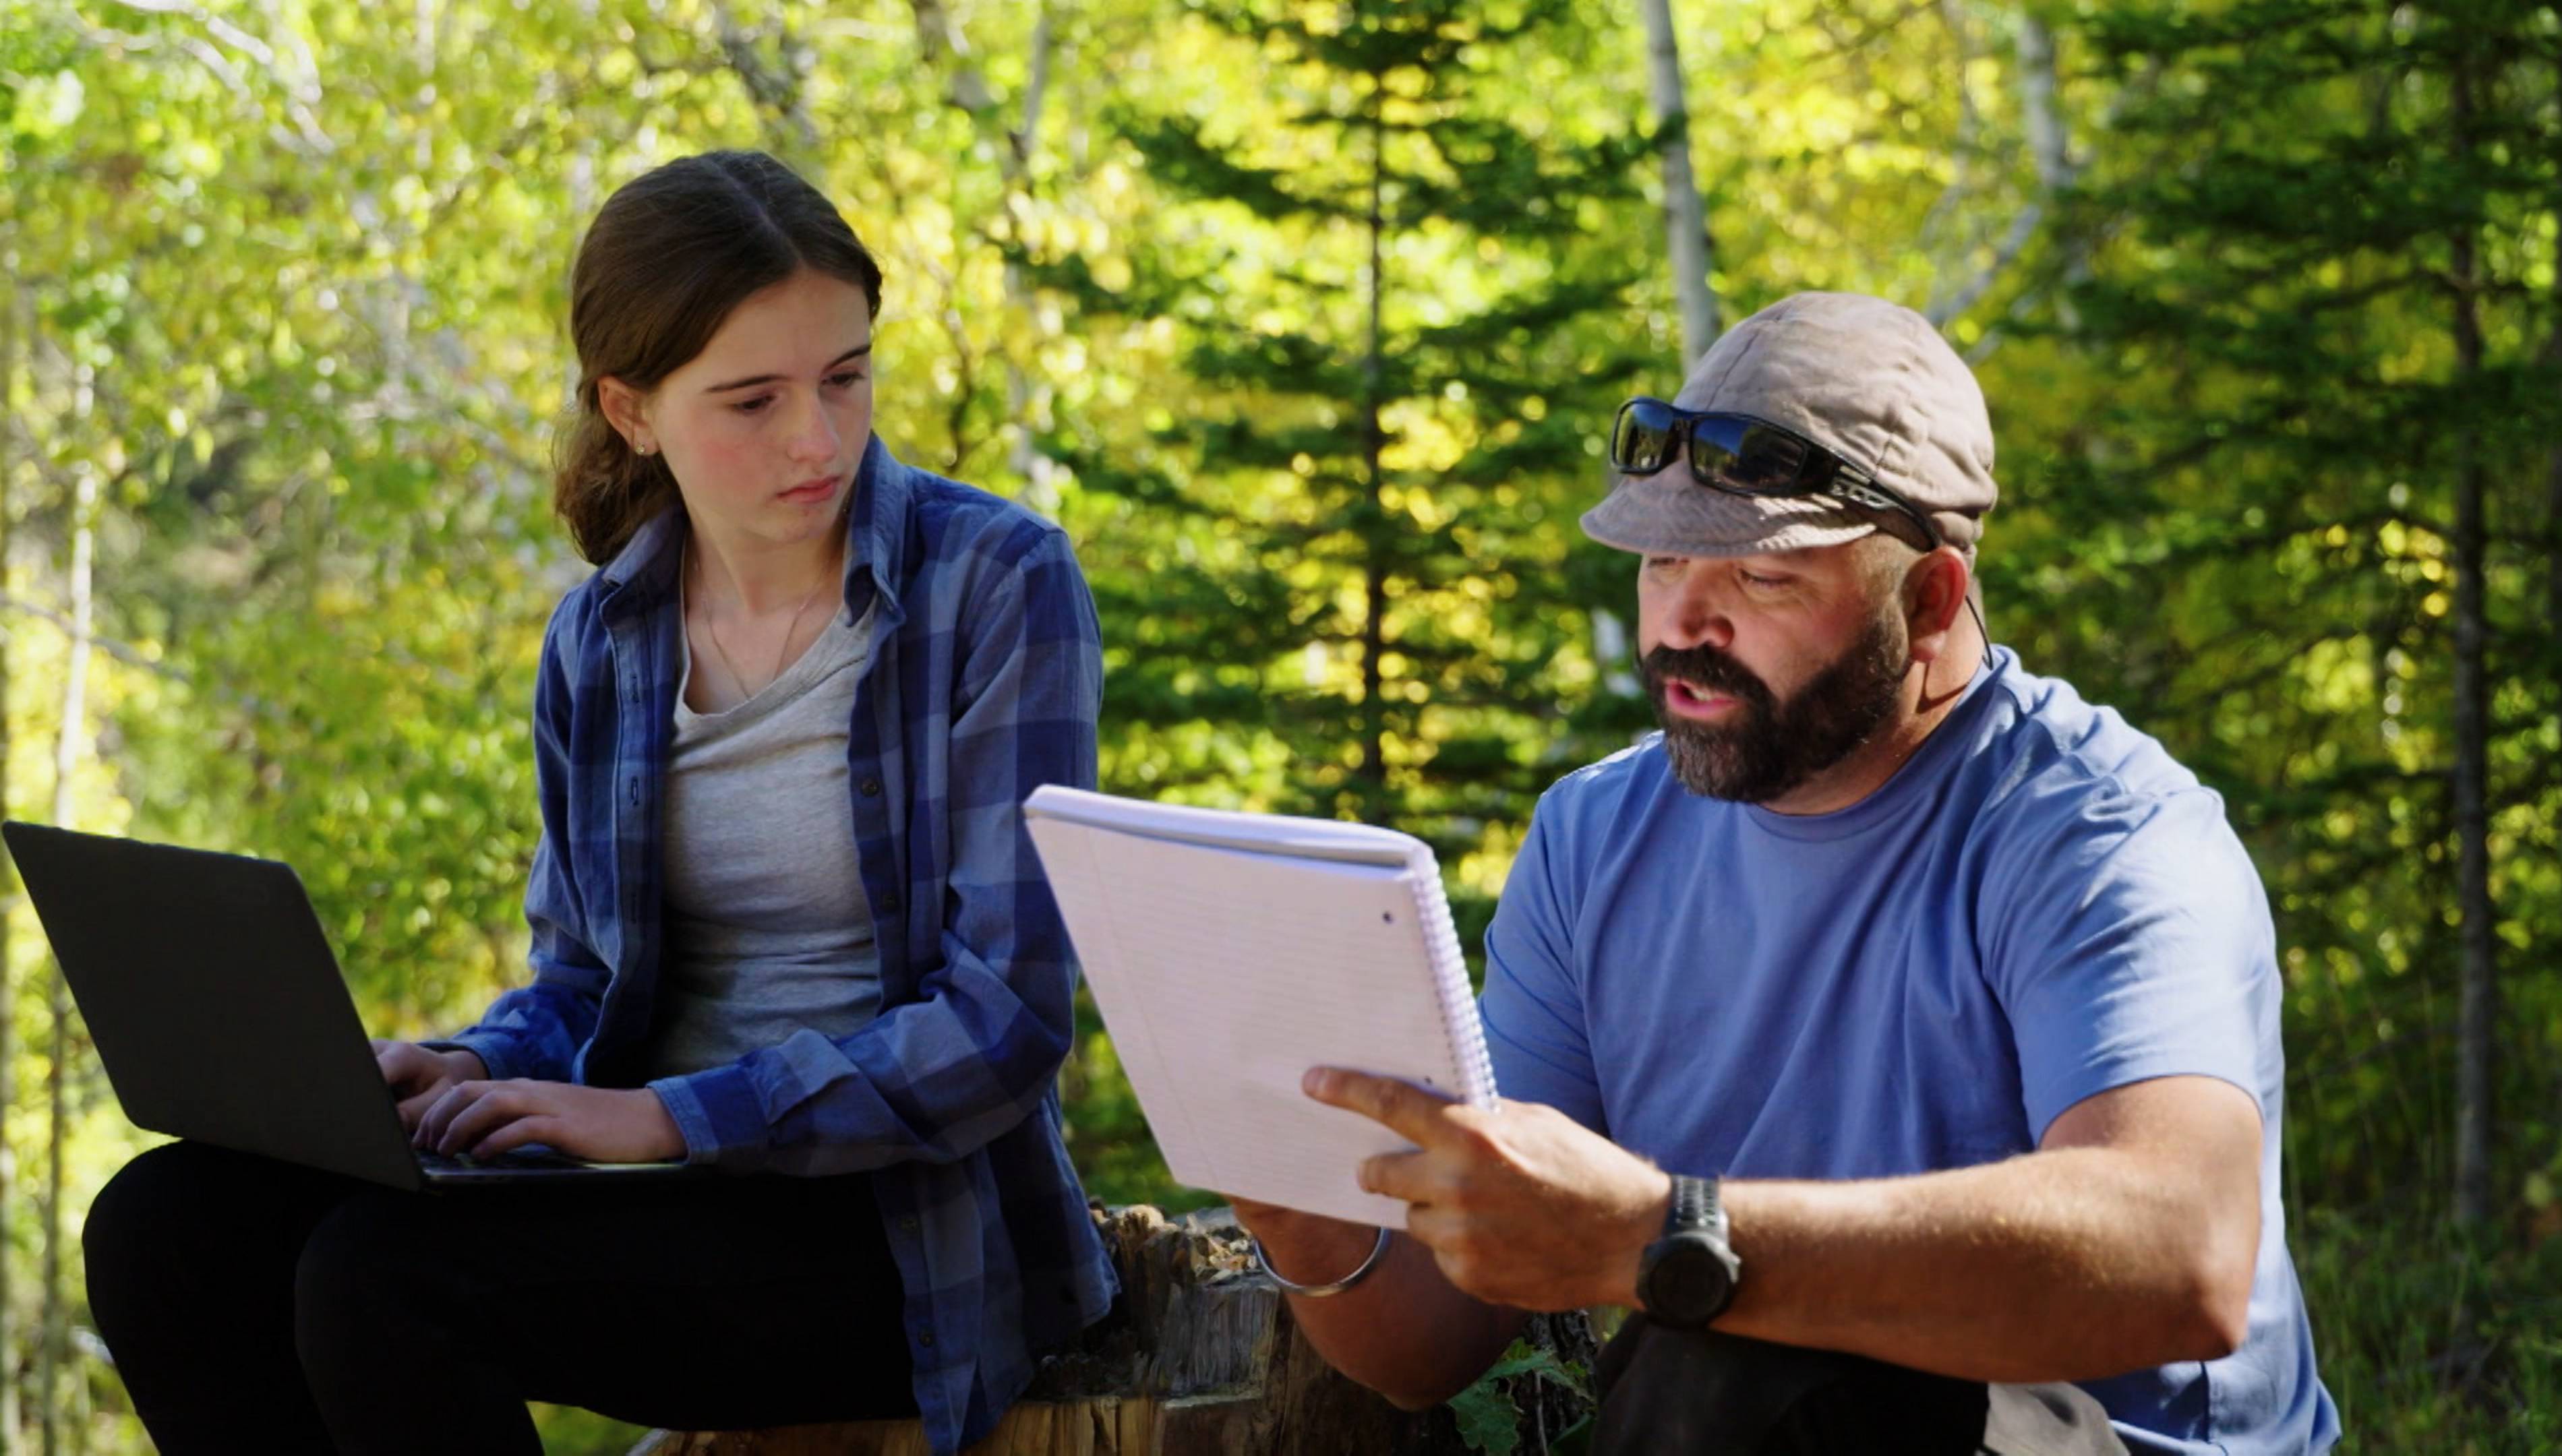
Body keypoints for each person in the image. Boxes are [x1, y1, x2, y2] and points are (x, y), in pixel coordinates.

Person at [81, 150, 1113, 1456]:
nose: (820, 437)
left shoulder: (1000, 586)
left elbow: (1005, 1021)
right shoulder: (605, 636)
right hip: (649, 1197)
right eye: (753, 399)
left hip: (898, 1235)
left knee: (379, 1278)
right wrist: (467, 1066)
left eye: (846, 376)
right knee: (166, 1228)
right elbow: (582, 985)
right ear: (631, 411)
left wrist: (670, 1116)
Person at [1228, 293, 2342, 1455]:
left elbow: (2185, 1258)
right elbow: (1434, 1349)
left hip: (2094, 1442)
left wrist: (1669, 1236)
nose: (1683, 623)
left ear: (1929, 602)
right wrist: (1305, 1217)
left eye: (1760, 579)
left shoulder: (2099, 835)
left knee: (1722, 1355)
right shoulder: (1594, 840)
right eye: (1662, 560)